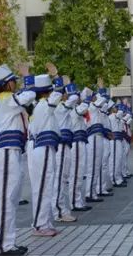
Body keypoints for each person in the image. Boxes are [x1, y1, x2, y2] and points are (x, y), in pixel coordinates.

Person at [0, 63, 36, 256]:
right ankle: (4, 246)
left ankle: (10, 243)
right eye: (13, 82)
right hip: (6, 151)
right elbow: (29, 96)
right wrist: (28, 77)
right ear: (6, 85)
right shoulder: (5, 98)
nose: (15, 85)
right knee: (5, 199)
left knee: (12, 198)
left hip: (13, 150)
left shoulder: (6, 99)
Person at [27, 73, 62, 237]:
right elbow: (58, 94)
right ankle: (39, 224)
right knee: (43, 187)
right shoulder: (44, 104)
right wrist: (56, 76)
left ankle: (44, 222)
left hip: (45, 148)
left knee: (45, 187)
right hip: (44, 148)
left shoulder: (41, 106)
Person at [51, 74, 78, 223]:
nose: (67, 94)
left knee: (63, 178)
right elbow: (74, 98)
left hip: (65, 145)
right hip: (60, 146)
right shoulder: (59, 107)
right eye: (64, 92)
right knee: (60, 178)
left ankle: (61, 209)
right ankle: (59, 212)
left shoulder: (60, 106)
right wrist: (67, 84)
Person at [68, 84, 91, 212]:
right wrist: (86, 98)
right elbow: (83, 109)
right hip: (76, 143)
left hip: (81, 142)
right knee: (76, 173)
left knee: (80, 172)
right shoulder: (73, 108)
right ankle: (74, 202)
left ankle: (78, 200)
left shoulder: (76, 107)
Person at [85, 87, 108, 203]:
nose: (95, 97)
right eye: (93, 95)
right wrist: (101, 89)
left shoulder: (94, 107)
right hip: (93, 137)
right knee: (93, 166)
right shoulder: (91, 106)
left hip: (98, 136)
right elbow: (102, 99)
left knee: (96, 165)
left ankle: (93, 192)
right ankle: (89, 193)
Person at [111, 105, 127, 187]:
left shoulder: (118, 118)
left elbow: (122, 127)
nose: (117, 109)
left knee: (119, 158)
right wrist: (122, 108)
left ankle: (118, 177)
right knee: (115, 160)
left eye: (117, 108)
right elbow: (121, 113)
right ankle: (114, 179)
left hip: (119, 139)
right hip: (114, 140)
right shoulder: (111, 116)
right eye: (115, 108)